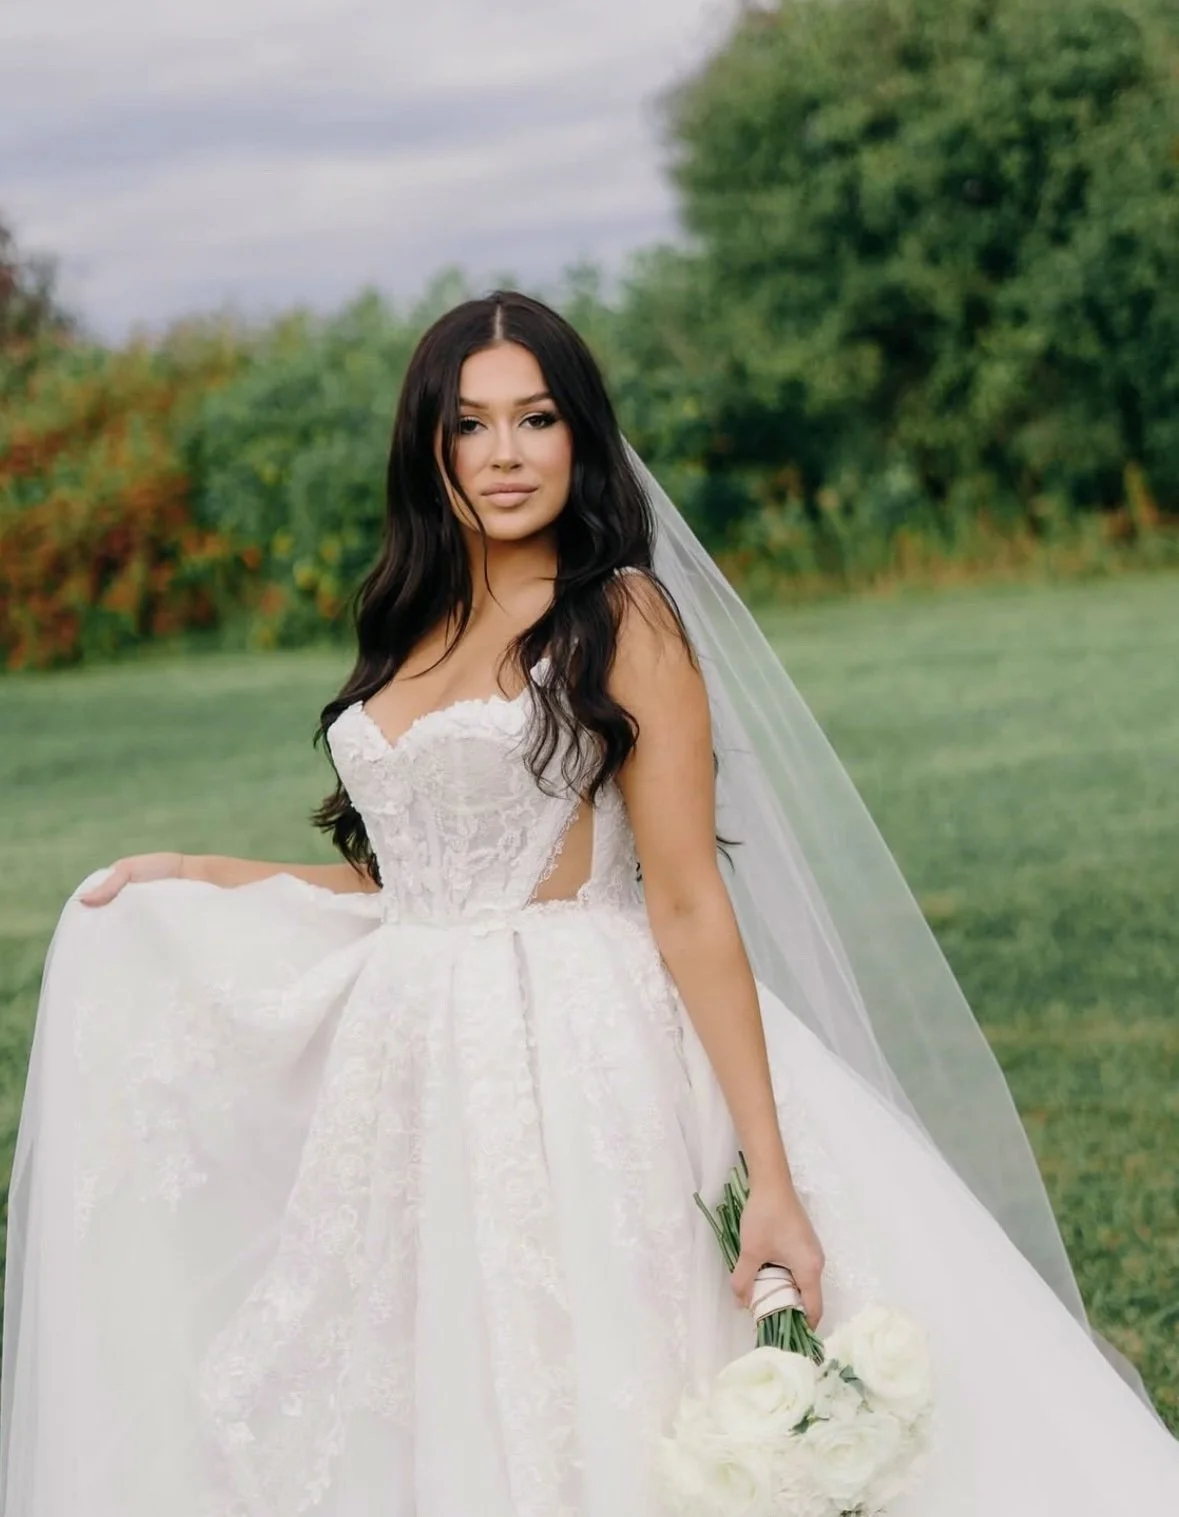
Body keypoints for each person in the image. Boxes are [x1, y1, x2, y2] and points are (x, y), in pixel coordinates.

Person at [2, 291, 1176, 1516]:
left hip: (576, 1053)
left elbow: (683, 900)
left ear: (581, 437)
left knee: (600, 1372)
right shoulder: (411, 624)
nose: (505, 454)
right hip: (418, 1067)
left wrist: (768, 1172)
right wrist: (206, 875)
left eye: (537, 418)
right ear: (431, 446)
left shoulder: (620, 616)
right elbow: (423, 882)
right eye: (471, 424)